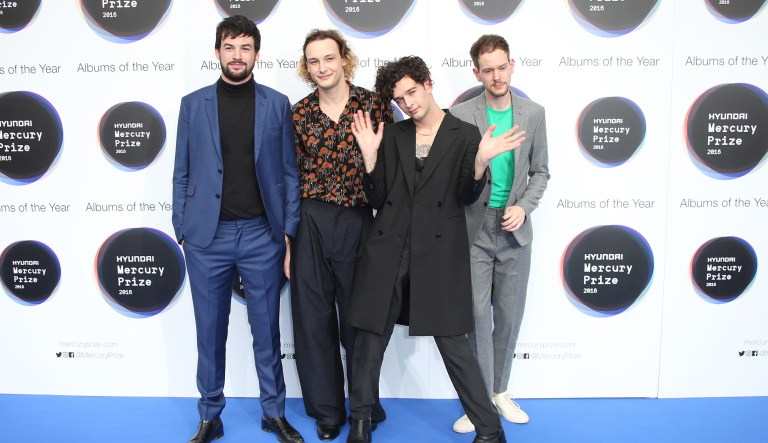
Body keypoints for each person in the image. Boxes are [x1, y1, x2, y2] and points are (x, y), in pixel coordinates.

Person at [345, 56, 525, 443]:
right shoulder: (393, 136)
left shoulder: (464, 134)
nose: (408, 103)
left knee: (453, 343)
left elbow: (465, 195)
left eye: (411, 91)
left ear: (427, 83)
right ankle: (360, 420)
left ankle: (490, 430)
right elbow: (377, 196)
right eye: (399, 99)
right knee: (368, 336)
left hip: (438, 253)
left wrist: (478, 163)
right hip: (388, 248)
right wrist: (370, 156)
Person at [172, 15, 303, 443]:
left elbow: (288, 173)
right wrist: (181, 227)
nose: (237, 55)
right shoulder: (193, 105)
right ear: (217, 53)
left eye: (245, 48)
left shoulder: (276, 103)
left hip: (261, 235)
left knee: (267, 330)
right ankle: (210, 414)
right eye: (230, 47)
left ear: (256, 55)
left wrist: (286, 231)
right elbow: (182, 172)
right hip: (206, 239)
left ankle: (273, 413)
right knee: (209, 331)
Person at [290, 29, 392, 441]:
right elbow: (288, 176)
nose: (322, 68)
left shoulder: (373, 105)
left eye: (328, 58)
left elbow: (390, 177)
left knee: (360, 319)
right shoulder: (298, 114)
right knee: (313, 321)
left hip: (357, 219)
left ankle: (364, 404)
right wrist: (287, 237)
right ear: (306, 66)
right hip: (310, 220)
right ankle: (328, 411)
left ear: (343, 58)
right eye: (313, 61)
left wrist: (370, 159)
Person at [449, 34, 550, 433]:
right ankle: (478, 403)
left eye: (501, 66)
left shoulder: (534, 113)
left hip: (514, 231)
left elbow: (541, 171)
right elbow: (458, 175)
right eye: (487, 69)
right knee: (475, 318)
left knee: (507, 318)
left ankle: (500, 392)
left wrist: (523, 208)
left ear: (512, 66)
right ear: (476, 72)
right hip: (474, 228)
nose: (496, 75)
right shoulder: (460, 114)